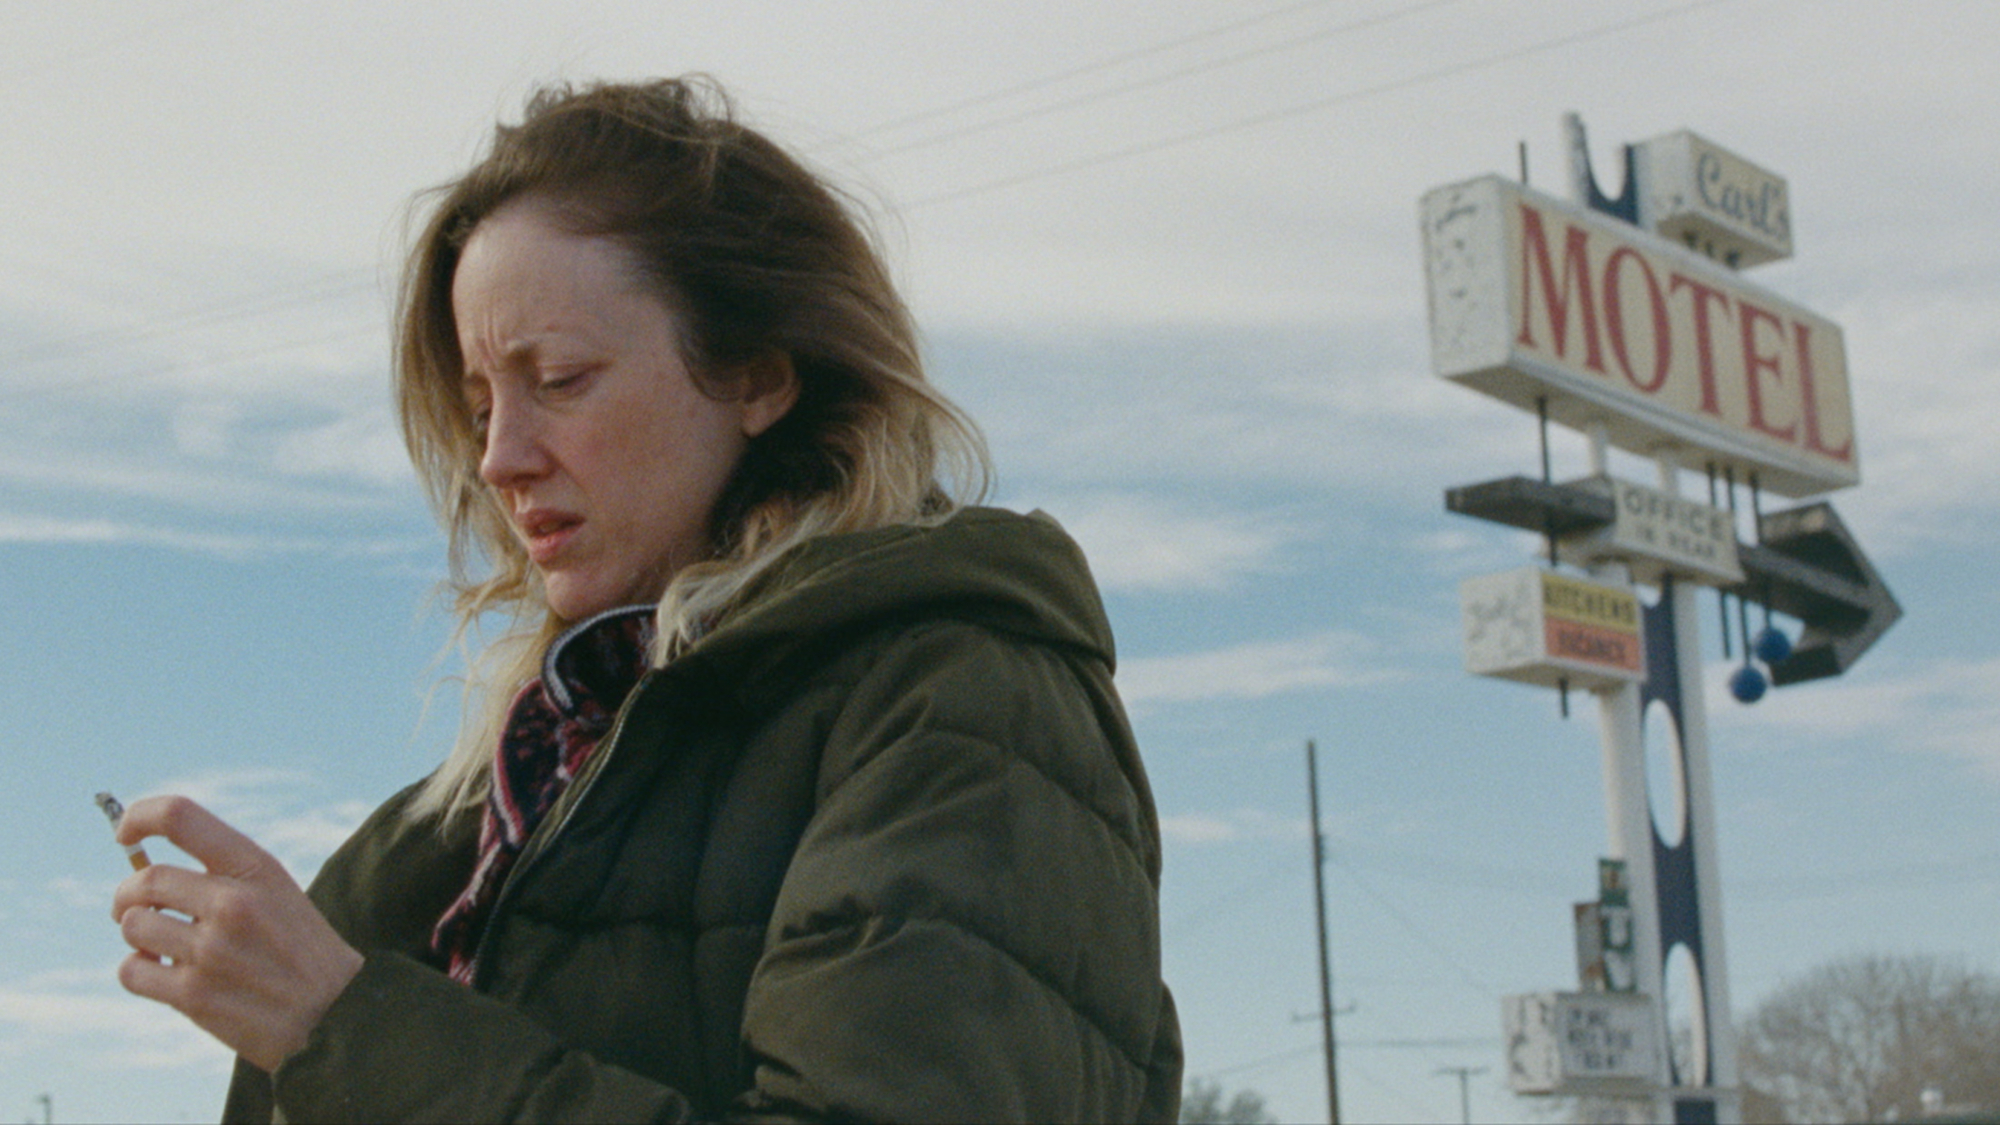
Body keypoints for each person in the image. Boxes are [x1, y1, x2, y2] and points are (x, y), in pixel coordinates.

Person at [110, 76, 1182, 1122]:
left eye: (562, 380)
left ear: (758, 375)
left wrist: (344, 1032)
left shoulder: (957, 706)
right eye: (479, 405)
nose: (498, 459)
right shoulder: (467, 824)